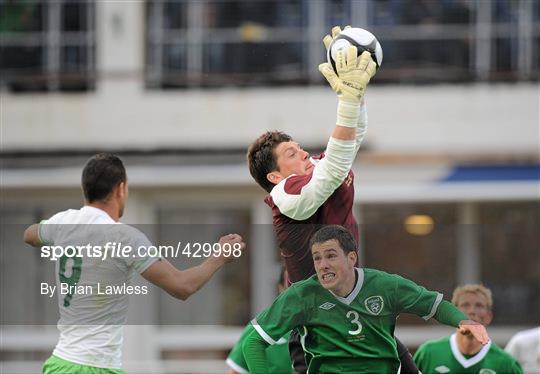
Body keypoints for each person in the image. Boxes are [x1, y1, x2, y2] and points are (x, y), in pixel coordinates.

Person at [247, 26, 419, 373]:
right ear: (275, 176)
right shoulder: (285, 196)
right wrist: (347, 99)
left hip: (354, 302)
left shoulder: (316, 170)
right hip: (317, 318)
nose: (304, 154)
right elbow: (336, 166)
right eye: (292, 153)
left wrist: (357, 97)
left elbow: (352, 140)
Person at [23, 153, 245, 374]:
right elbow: (182, 286)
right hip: (97, 367)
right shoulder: (124, 237)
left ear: (86, 190)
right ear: (121, 189)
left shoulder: (63, 222)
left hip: (59, 363)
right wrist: (220, 256)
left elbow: (29, 235)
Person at [242, 225, 489, 373]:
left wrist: (465, 321)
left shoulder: (385, 285)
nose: (323, 265)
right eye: (317, 258)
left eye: (330, 256)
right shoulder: (303, 294)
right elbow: (252, 342)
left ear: (352, 258)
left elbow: (435, 305)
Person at [414, 284, 523, 374]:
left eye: (479, 305)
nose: (472, 311)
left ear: (489, 316)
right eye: (465, 305)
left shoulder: (506, 364)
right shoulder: (428, 353)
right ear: (453, 314)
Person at [226, 268, 293, 374]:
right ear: (280, 288)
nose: (300, 290)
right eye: (291, 284)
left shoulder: (323, 323)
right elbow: (236, 371)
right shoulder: (259, 327)